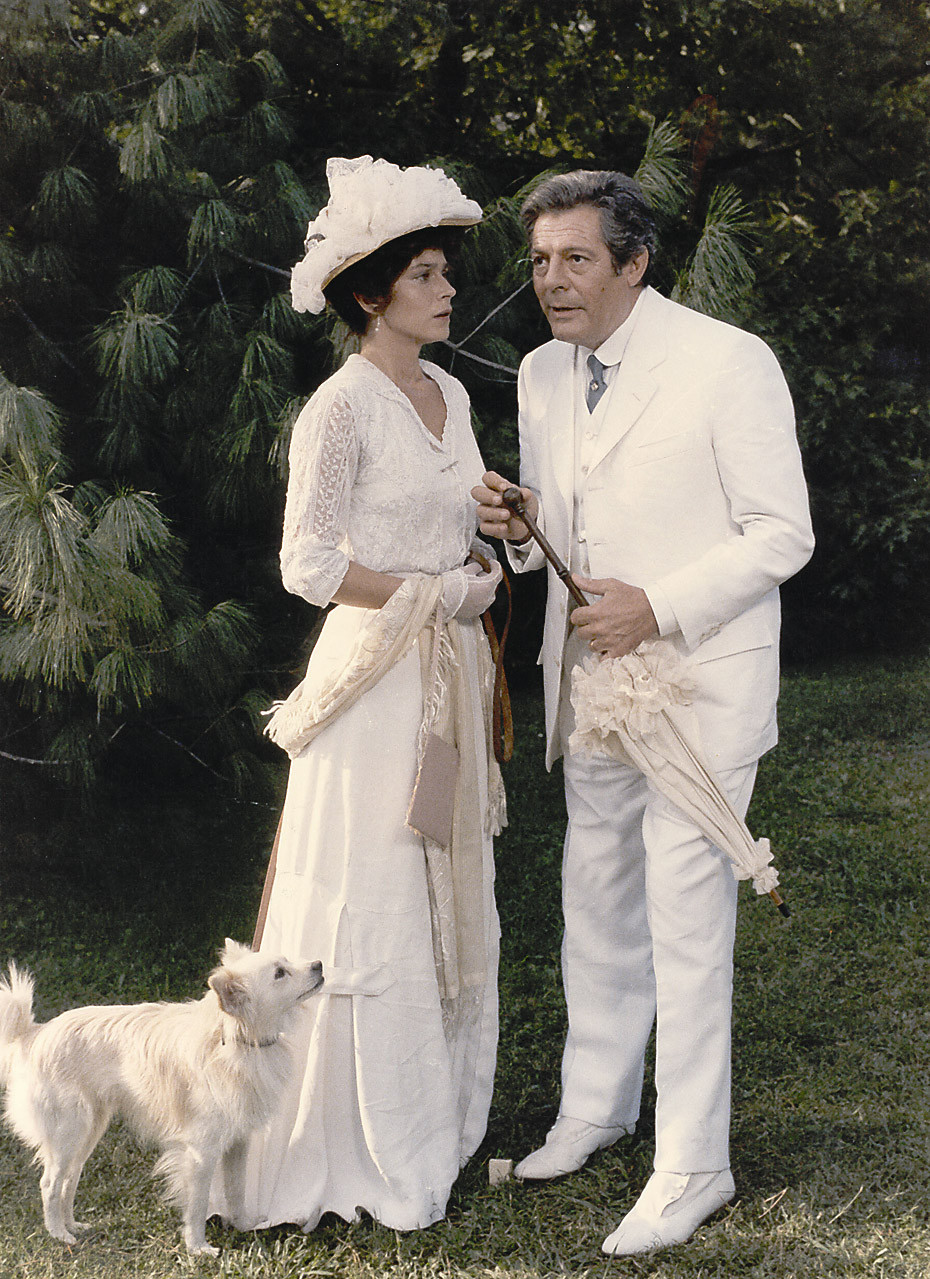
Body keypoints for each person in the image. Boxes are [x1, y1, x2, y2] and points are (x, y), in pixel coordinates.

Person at [473, 169, 814, 1255]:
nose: (552, 281)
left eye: (577, 258)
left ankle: (694, 1162)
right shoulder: (541, 370)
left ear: (635, 262)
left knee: (686, 915)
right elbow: (563, 533)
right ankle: (597, 1107)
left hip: (698, 685)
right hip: (591, 686)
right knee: (597, 893)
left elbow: (782, 532)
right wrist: (522, 529)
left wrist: (657, 605)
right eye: (540, 261)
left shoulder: (728, 361)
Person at [210, 156, 504, 1234]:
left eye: (444, 272)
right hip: (375, 679)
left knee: (442, 878)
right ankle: (342, 1142)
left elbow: (462, 518)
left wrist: (497, 531)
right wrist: (432, 593)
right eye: (426, 274)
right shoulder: (338, 409)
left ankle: (431, 1125)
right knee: (373, 886)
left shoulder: (451, 394)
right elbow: (311, 563)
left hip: (448, 669)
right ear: (373, 295)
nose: (447, 289)